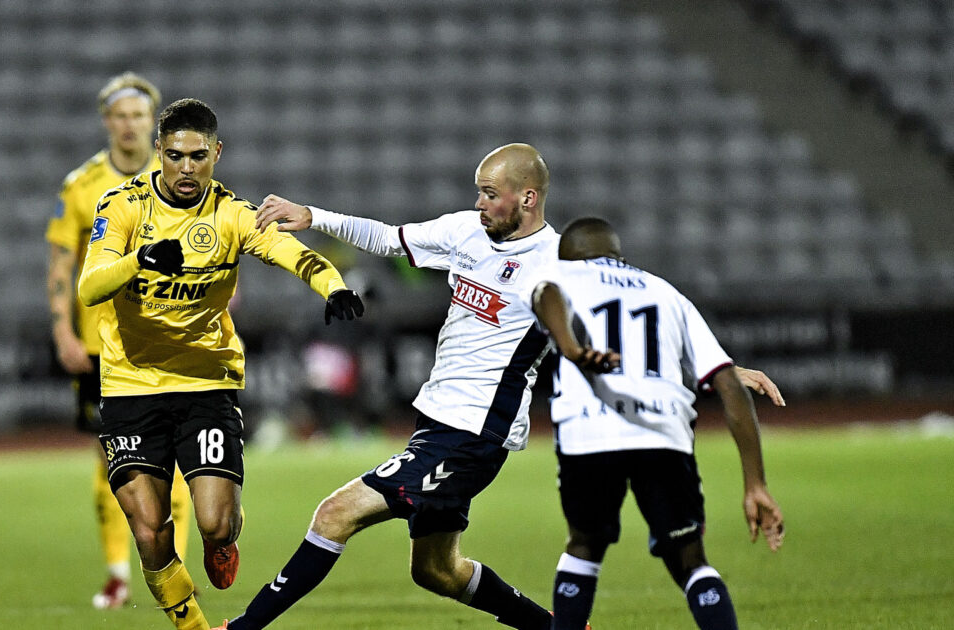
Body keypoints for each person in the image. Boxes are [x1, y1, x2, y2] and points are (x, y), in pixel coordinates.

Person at [212, 143, 565, 630]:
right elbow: (386, 238)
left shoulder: (557, 264)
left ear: (527, 198)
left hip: (474, 433)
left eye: (489, 194)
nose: (479, 203)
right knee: (438, 571)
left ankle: (241, 629)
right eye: (477, 193)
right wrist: (312, 215)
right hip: (439, 421)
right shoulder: (467, 230)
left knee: (335, 513)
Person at [77, 97, 364, 630]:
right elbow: (89, 286)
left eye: (200, 156)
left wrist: (334, 286)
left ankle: (224, 536)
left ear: (217, 153)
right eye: (177, 155)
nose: (188, 168)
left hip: (206, 381)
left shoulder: (232, 213)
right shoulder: (123, 207)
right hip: (130, 385)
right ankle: (194, 628)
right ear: (159, 152)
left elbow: (292, 253)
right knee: (149, 528)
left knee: (212, 522)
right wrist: (138, 260)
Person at [529, 217, 786, 630]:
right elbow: (728, 384)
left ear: (569, 253)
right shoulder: (666, 292)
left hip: (589, 434)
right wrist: (755, 483)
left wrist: (572, 347)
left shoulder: (558, 271)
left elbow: (545, 294)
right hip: (664, 435)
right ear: (619, 256)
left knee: (583, 546)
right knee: (690, 558)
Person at [45, 71, 194, 610]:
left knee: (177, 457)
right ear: (106, 121)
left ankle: (172, 571)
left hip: (167, 335)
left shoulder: (179, 177)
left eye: (137, 115)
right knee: (112, 459)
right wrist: (61, 328)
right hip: (101, 345)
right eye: (119, 115)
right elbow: (61, 264)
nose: (128, 125)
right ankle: (117, 575)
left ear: (150, 123)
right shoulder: (81, 185)